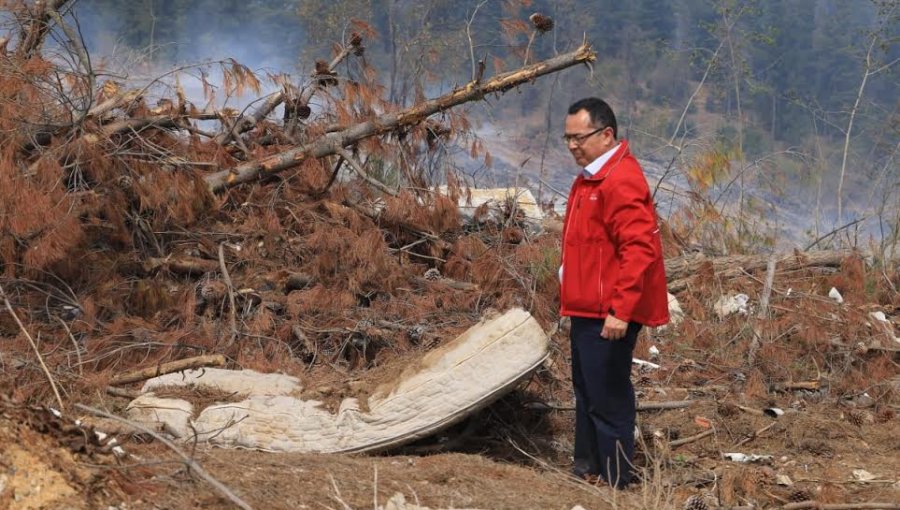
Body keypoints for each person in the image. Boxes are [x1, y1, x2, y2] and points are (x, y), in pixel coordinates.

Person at [559, 97, 669, 488]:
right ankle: (588, 469)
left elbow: (639, 249)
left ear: (607, 135)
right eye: (568, 138)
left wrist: (621, 310)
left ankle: (619, 480)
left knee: (608, 396)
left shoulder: (620, 179)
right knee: (587, 390)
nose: (573, 145)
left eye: (580, 137)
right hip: (587, 307)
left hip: (609, 312)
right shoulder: (591, 176)